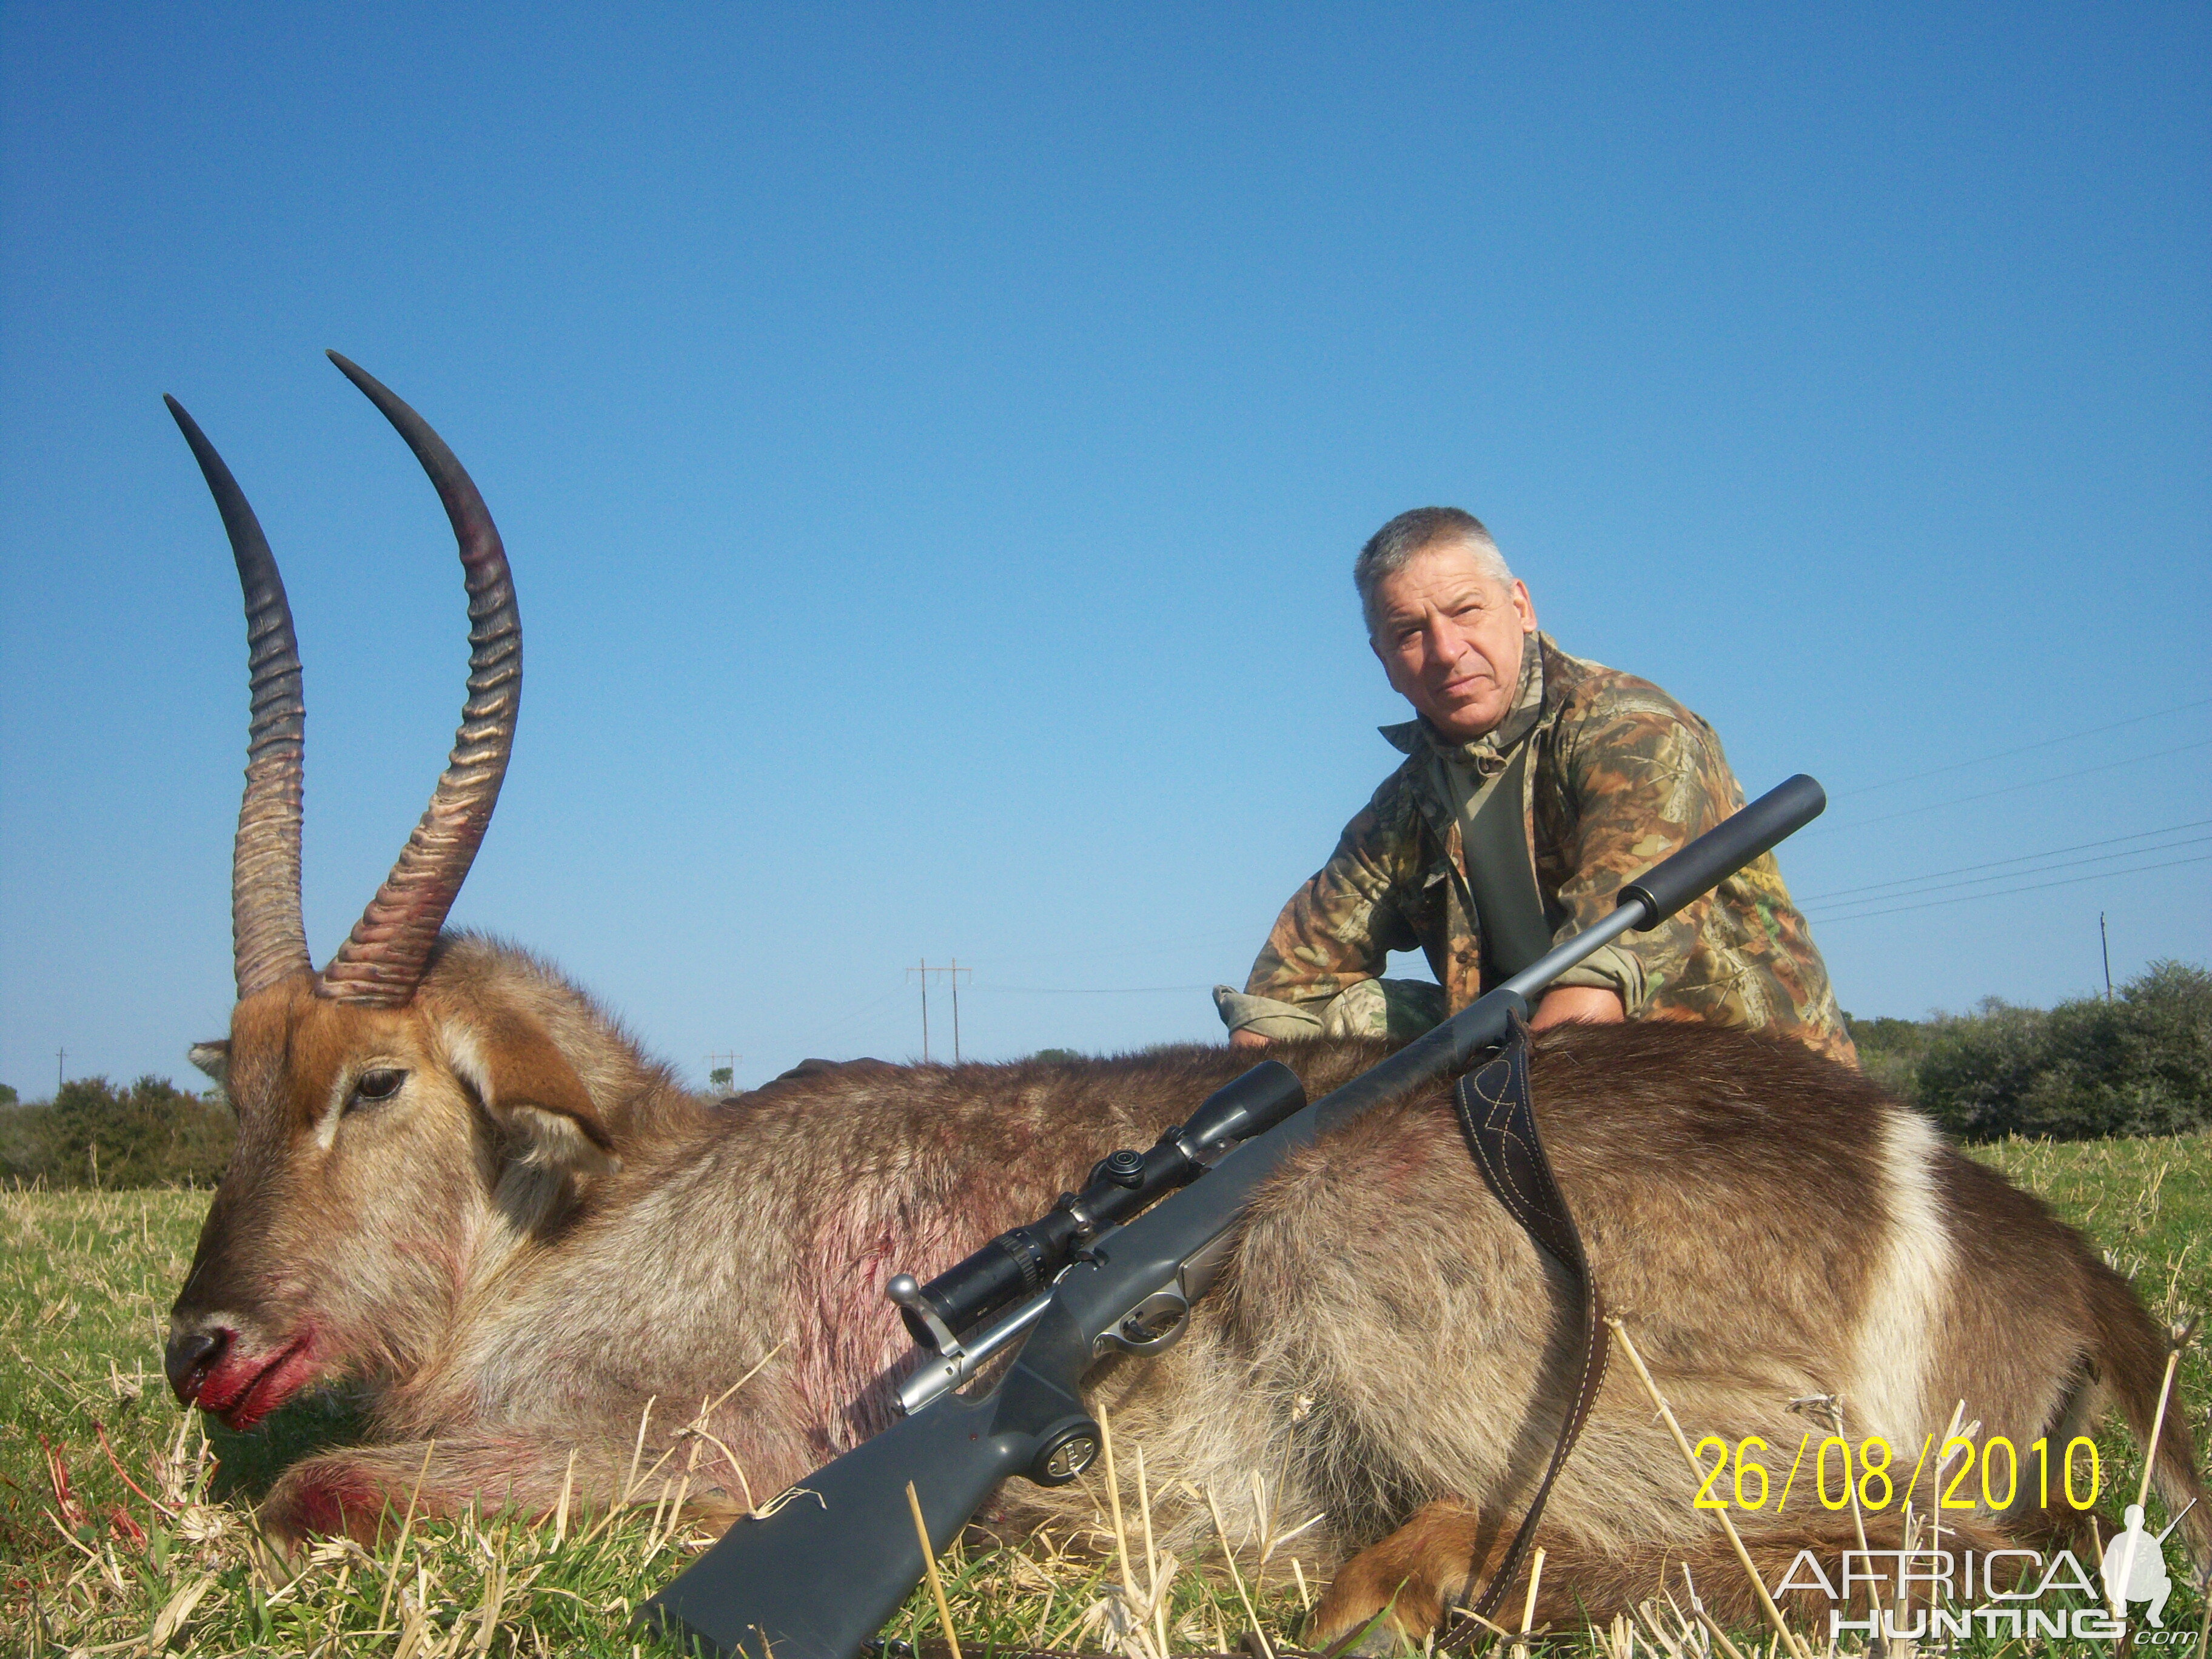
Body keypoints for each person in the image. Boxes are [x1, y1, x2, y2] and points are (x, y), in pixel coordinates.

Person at [1215, 506, 1856, 1067]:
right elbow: (1283, 996)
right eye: (1409, 632)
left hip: (1739, 1079)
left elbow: (1594, 992)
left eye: (1467, 610)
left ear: (1520, 607)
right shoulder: (1404, 805)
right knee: (1336, 1025)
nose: (1445, 650)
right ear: (1383, 660)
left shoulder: (1633, 730)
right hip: (1546, 1055)